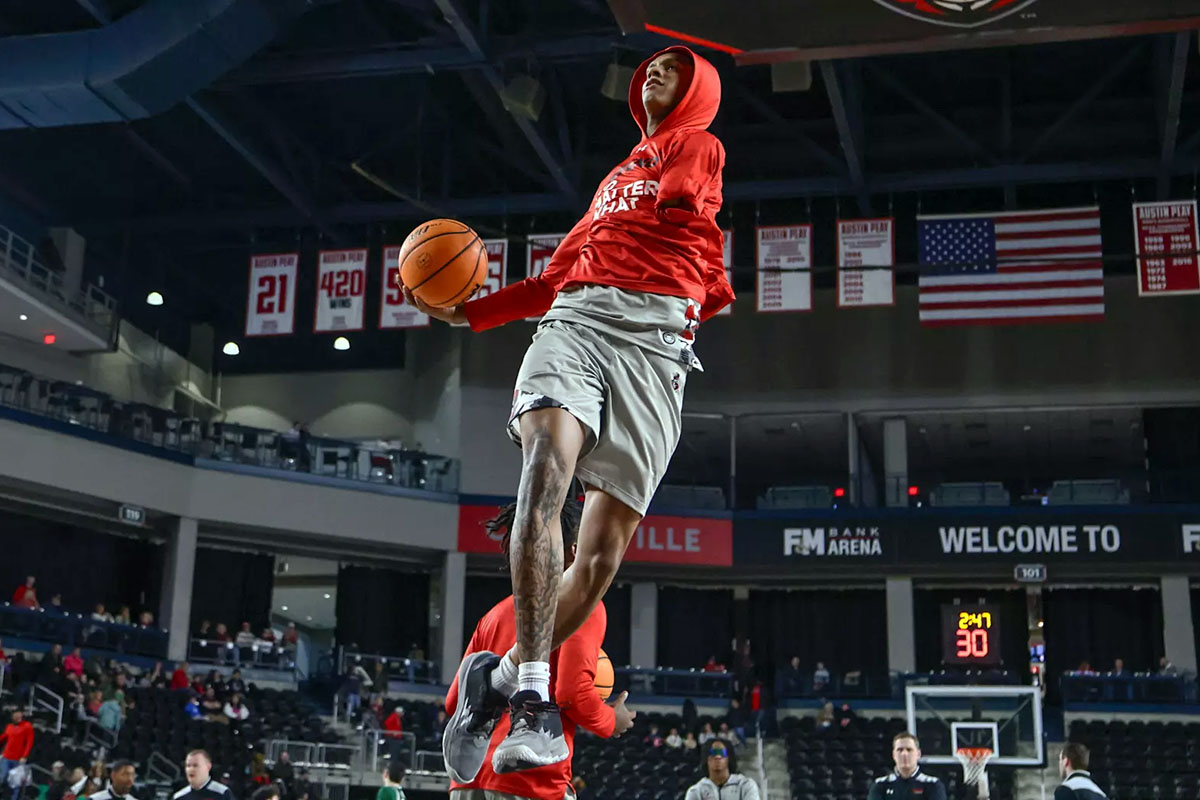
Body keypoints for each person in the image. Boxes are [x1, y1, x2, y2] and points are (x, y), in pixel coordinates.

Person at [428, 43, 731, 776]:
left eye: (675, 68)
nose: (655, 70)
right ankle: (534, 701)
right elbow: (553, 279)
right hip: (579, 322)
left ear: (696, 91)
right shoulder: (612, 182)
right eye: (650, 66)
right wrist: (470, 314)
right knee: (545, 471)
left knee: (597, 562)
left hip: (659, 351)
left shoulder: (697, 145)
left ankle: (492, 684)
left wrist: (680, 194)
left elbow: (689, 190)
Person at [444, 498, 636, 795]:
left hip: (466, 783)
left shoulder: (494, 616)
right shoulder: (583, 606)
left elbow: (455, 703)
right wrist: (613, 720)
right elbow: (574, 694)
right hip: (532, 782)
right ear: (576, 550)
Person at [868, 733, 947, 800]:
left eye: (909, 750)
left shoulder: (933, 784)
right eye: (900, 750)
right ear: (893, 755)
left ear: (918, 754)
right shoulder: (880, 785)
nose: (904, 754)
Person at [684, 738, 759, 800]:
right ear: (706, 758)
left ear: (728, 758)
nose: (718, 757)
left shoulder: (745, 785)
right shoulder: (696, 791)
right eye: (713, 753)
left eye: (722, 753)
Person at [0, 709, 33, 794]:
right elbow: (4, 737)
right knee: (3, 776)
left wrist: (24, 756)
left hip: (18, 759)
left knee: (16, 782)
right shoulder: (9, 726)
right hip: (6, 756)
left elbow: (29, 742)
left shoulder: (27, 726)